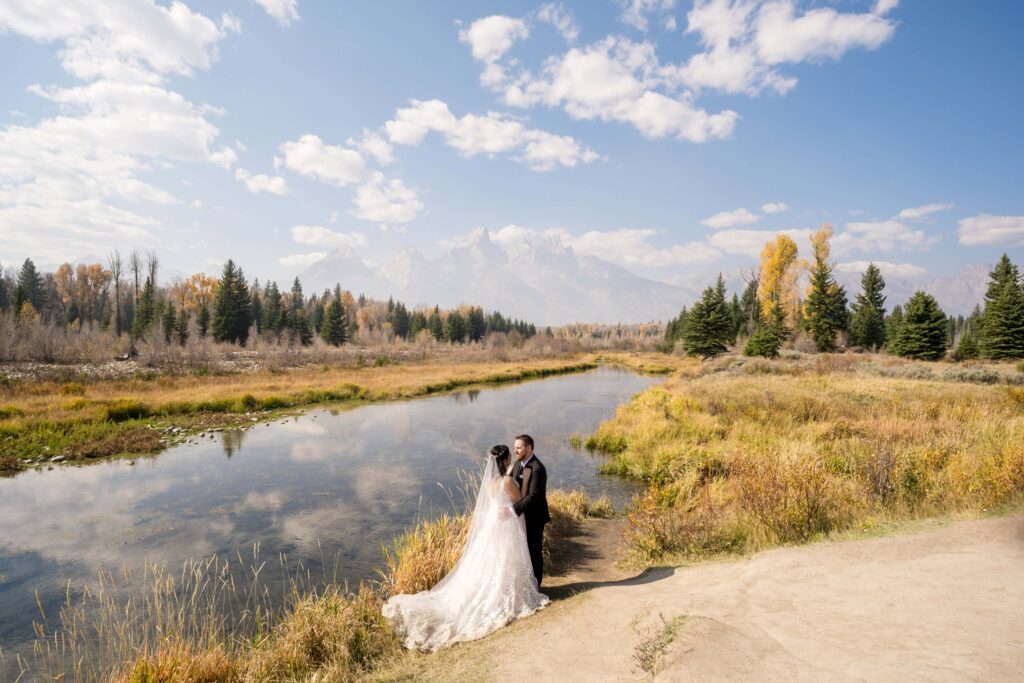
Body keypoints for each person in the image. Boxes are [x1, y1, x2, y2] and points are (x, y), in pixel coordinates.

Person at [381, 444, 549, 652]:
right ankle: (512, 594)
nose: (511, 458)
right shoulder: (507, 481)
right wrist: (519, 482)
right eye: (509, 456)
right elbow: (520, 499)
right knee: (504, 558)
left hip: (492, 524)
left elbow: (494, 502)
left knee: (491, 559)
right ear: (505, 460)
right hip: (506, 524)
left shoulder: (489, 482)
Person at [510, 434, 551, 587]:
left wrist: (512, 511)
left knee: (534, 551)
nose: (516, 451)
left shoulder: (538, 468)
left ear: (529, 448)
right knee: (522, 551)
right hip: (521, 517)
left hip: (534, 517)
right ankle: (525, 584)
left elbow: (533, 496)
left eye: (519, 448)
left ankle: (536, 586)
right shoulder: (516, 465)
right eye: (515, 448)